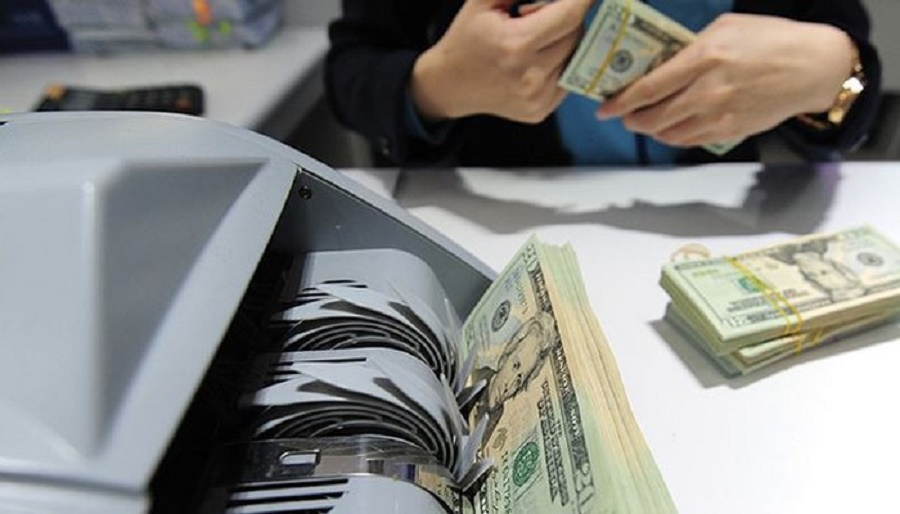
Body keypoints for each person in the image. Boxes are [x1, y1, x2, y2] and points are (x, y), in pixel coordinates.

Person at [325, 0, 882, 168]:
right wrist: (437, 86)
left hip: (714, 219)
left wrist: (837, 73)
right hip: (505, 220)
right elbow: (351, 70)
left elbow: (853, 88)